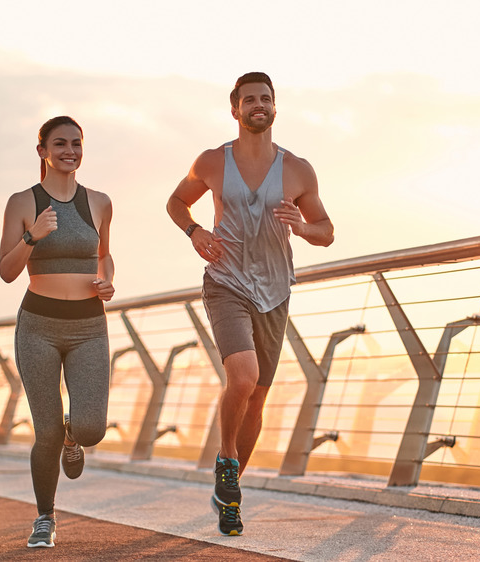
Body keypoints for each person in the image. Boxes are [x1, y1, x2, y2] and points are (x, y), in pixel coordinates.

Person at [168, 72, 335, 536]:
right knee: (243, 375)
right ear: (235, 107)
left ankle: (229, 496)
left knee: (257, 397)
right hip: (226, 283)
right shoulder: (211, 161)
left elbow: (327, 230)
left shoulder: (298, 169)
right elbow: (176, 202)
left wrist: (301, 227)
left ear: (274, 108)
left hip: (275, 293)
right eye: (250, 99)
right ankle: (226, 459)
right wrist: (195, 231)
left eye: (266, 99)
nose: (258, 105)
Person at [0, 116, 115, 548]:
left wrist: (106, 281)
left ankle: (74, 434)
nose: (70, 150)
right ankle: (45, 517)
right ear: (42, 150)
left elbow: (105, 256)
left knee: (91, 429)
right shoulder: (23, 201)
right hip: (39, 327)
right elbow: (7, 272)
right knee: (44, 432)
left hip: (88, 327)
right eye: (60, 143)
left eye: (77, 143)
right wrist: (31, 237)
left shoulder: (99, 202)